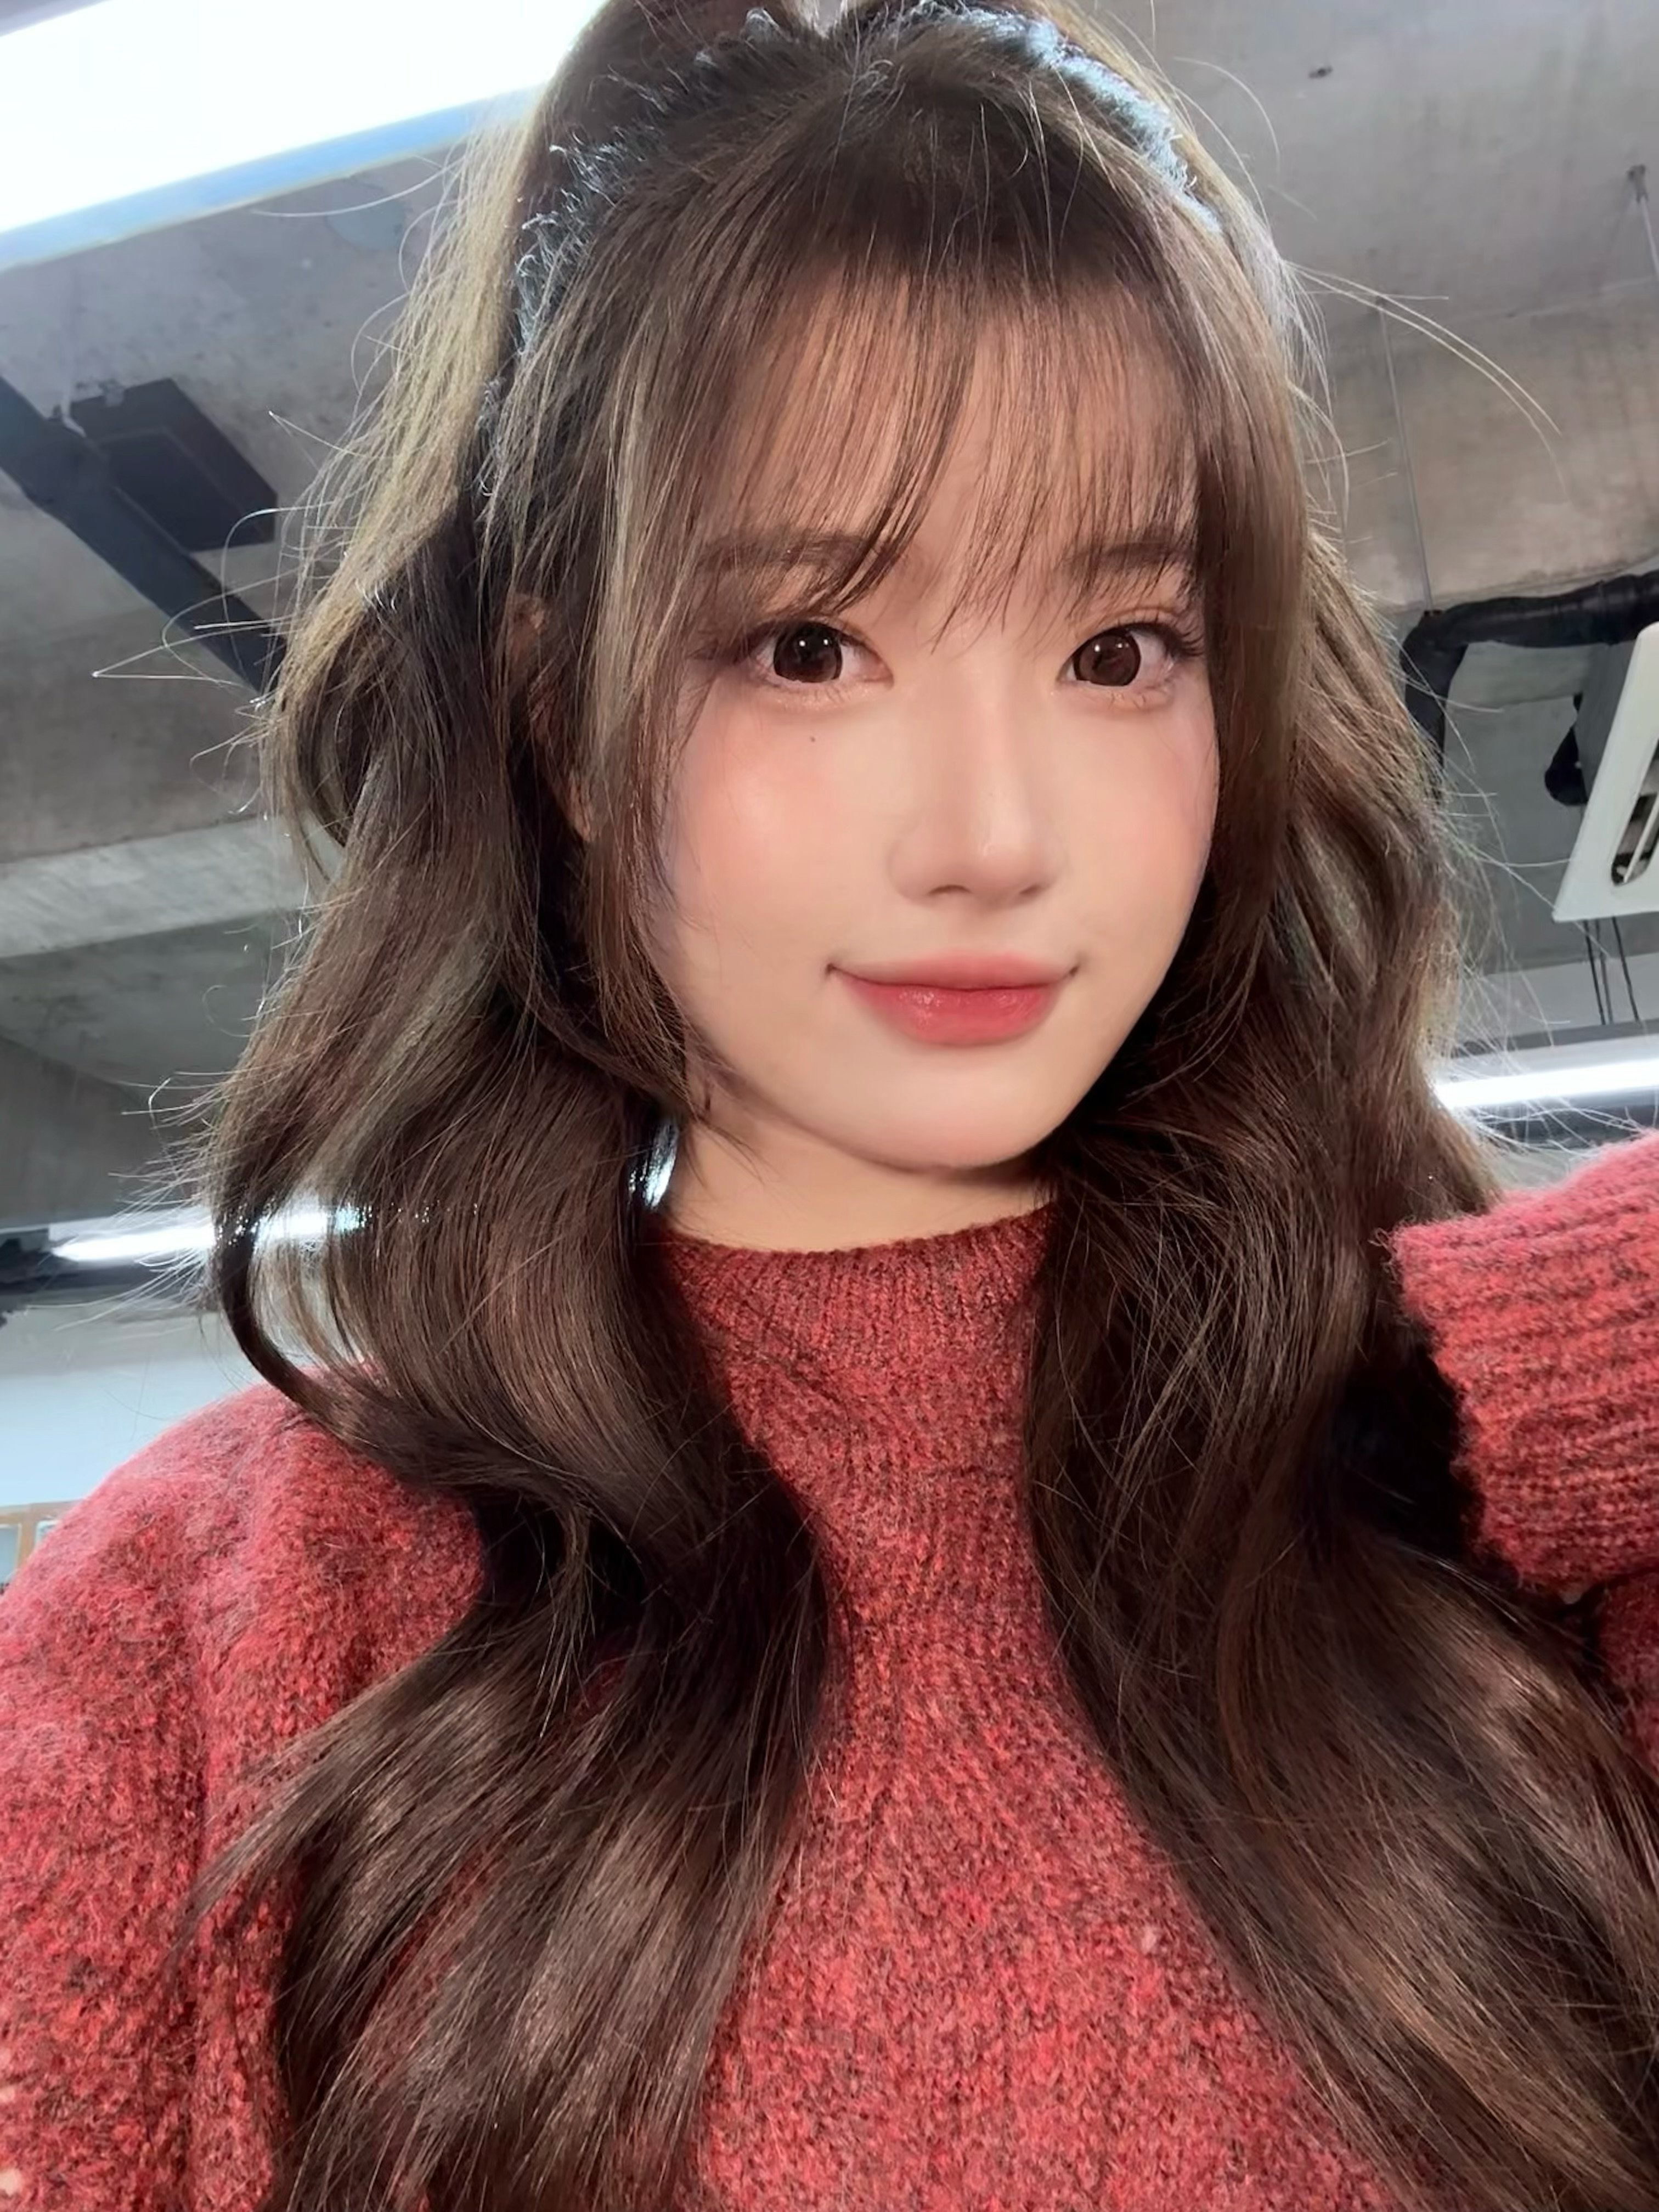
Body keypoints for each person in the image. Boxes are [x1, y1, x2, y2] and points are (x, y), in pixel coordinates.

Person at [3, 0, 1658, 2203]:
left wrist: (1496, 1357)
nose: (995, 836)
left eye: (1120, 651)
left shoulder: (1508, 1492)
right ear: (564, 725)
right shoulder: (203, 1619)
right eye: (809, 645)